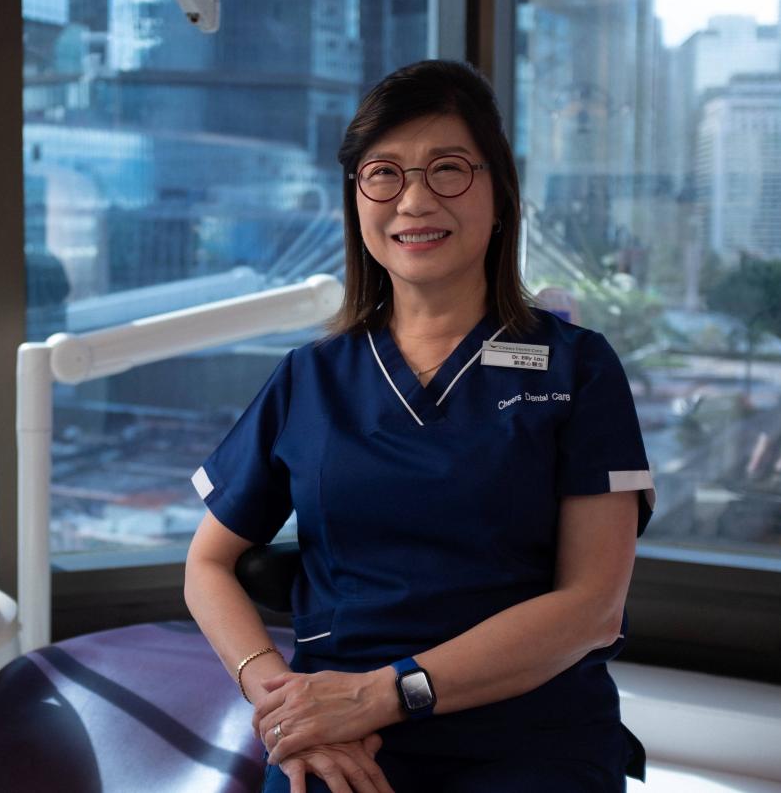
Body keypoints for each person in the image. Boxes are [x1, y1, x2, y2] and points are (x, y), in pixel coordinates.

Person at [183, 59, 655, 793]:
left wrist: (382, 692)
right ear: (357, 199)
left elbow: (593, 607)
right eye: (384, 173)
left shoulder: (578, 369)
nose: (414, 199)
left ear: (499, 194)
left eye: (449, 170)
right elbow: (207, 565)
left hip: (531, 735)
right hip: (341, 737)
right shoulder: (311, 377)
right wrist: (280, 701)